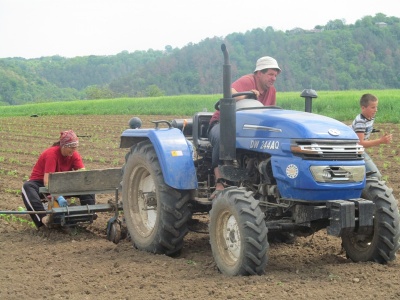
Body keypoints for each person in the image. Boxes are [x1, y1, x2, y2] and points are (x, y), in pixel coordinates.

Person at [208, 56, 281, 199]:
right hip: (223, 123)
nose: (273, 78)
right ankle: (219, 183)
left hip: (249, 127)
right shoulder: (248, 80)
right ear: (259, 73)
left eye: (275, 75)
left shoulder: (272, 91)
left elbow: (269, 114)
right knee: (224, 137)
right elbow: (229, 93)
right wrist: (247, 97)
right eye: (270, 74)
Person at [21, 130, 95, 229]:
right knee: (27, 187)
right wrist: (58, 197)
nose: (74, 150)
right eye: (71, 147)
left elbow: (83, 176)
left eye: (75, 147)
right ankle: (43, 219)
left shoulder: (74, 155)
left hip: (61, 182)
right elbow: (47, 181)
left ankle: (88, 213)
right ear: (64, 146)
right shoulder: (52, 154)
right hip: (41, 182)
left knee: (87, 184)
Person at [351, 93, 392, 180]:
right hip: (355, 152)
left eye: (376, 107)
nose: (376, 110)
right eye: (373, 107)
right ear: (363, 108)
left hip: (359, 150)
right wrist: (381, 141)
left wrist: (371, 130)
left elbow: (363, 129)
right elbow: (360, 143)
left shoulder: (370, 117)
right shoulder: (361, 121)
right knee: (375, 176)